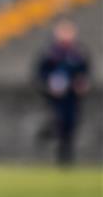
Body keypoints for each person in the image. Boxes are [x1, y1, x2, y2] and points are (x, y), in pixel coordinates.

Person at [35, 18, 90, 165]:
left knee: (70, 124)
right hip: (54, 97)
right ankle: (53, 142)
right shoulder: (50, 53)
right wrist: (49, 86)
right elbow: (40, 73)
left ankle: (66, 158)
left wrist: (81, 83)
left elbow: (85, 73)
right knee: (57, 121)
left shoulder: (79, 53)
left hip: (71, 96)